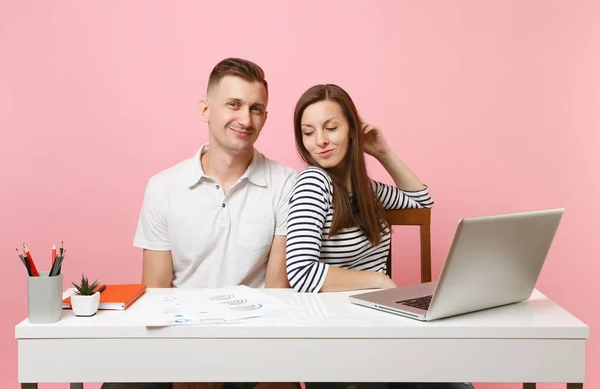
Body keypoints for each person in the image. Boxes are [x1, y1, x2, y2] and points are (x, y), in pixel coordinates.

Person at [101, 58, 297, 389]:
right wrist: (186, 362)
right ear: (206, 110)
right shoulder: (163, 187)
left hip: (255, 349)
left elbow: (279, 292)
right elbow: (157, 292)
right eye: (233, 104)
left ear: (265, 118)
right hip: (179, 343)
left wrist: (248, 366)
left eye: (256, 109)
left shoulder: (286, 184)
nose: (245, 119)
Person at [285, 83, 473, 389]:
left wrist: (383, 152)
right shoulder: (312, 183)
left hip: (377, 325)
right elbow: (301, 273)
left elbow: (421, 202)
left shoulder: (366, 190)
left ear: (352, 131)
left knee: (456, 386)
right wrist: (376, 281)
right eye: (308, 132)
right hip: (337, 336)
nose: (319, 141)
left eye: (331, 127)